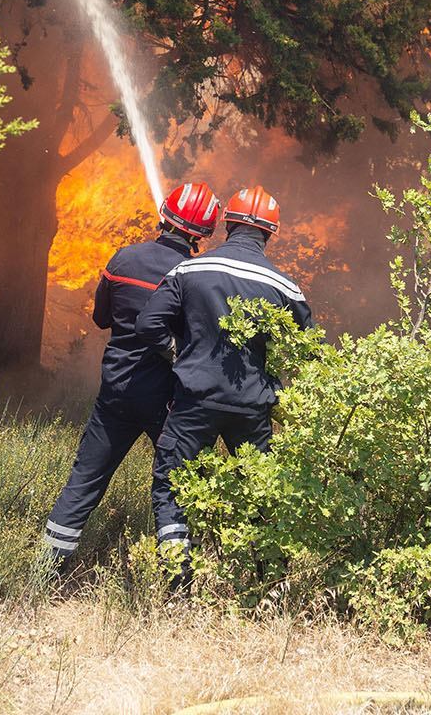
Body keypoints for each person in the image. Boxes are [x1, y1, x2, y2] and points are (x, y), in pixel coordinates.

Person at [40, 182, 221, 569]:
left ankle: (46, 568)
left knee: (85, 479)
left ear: (164, 214)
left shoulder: (123, 260)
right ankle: (181, 575)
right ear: (203, 233)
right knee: (184, 482)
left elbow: (102, 317)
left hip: (116, 392)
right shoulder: (195, 275)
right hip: (166, 399)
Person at [136, 186, 312, 578]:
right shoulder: (285, 286)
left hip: (194, 402)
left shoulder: (189, 270)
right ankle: (270, 584)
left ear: (227, 224)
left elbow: (148, 324)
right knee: (262, 491)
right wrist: (281, 388)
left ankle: (178, 580)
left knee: (172, 486)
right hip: (252, 406)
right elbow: (310, 350)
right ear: (269, 233)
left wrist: (179, 354)